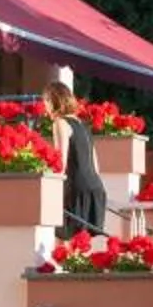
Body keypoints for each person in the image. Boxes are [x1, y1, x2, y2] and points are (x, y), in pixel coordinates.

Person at [42, 78, 106, 238]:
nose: (45, 107)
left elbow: (60, 163)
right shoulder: (83, 124)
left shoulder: (60, 123)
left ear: (52, 101)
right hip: (95, 186)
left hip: (76, 187)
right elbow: (96, 165)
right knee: (82, 245)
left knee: (63, 242)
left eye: (46, 102)